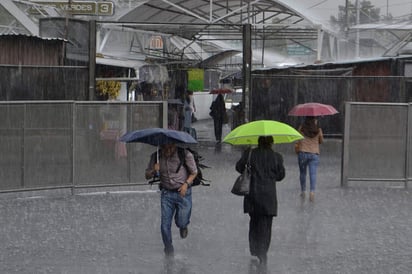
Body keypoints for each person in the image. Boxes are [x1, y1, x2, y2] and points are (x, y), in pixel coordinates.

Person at [235, 136, 285, 267]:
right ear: (272, 143)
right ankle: (262, 252)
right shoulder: (277, 157)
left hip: (253, 195)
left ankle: (254, 250)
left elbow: (239, 168)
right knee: (266, 227)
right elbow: (280, 176)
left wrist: (246, 155)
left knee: (254, 223)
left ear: (258, 141)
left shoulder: (250, 154)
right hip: (268, 197)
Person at [145, 143, 198, 256]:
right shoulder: (156, 156)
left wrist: (186, 184)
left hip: (183, 193)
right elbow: (147, 175)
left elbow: (194, 172)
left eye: (169, 147)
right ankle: (168, 250)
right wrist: (153, 171)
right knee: (165, 226)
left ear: (174, 145)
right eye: (164, 147)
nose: (167, 150)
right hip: (166, 194)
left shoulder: (184, 154)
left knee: (182, 221)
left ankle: (183, 226)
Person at [295, 116, 324, 202]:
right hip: (314, 154)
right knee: (313, 174)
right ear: (314, 120)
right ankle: (312, 192)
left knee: (303, 173)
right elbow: (321, 141)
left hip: (303, 153)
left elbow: (297, 139)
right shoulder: (318, 129)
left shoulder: (302, 128)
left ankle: (303, 191)